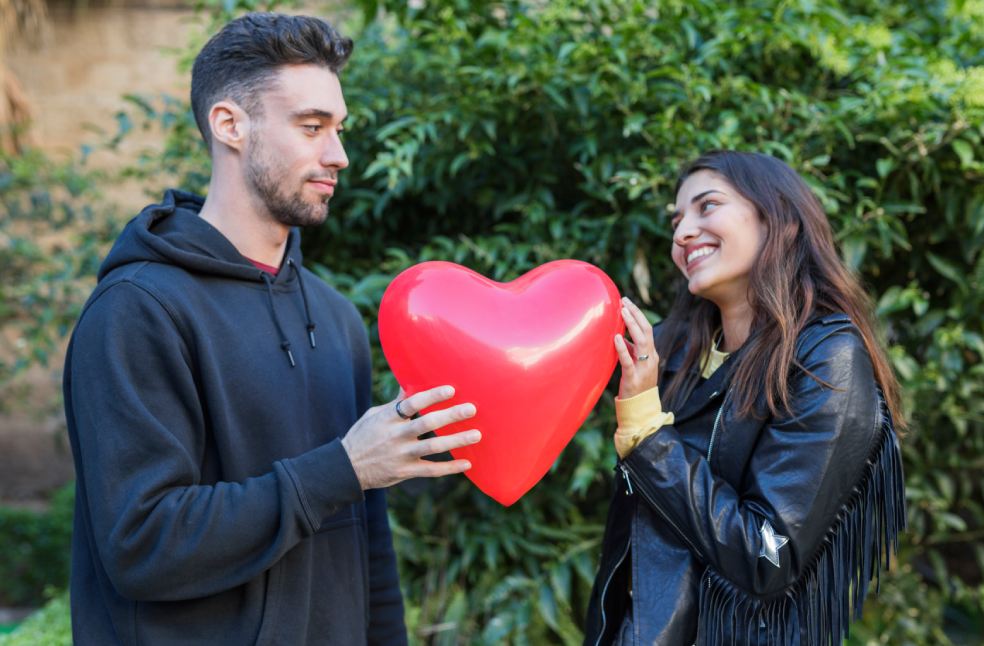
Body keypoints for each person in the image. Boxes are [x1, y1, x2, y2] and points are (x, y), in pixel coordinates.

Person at [62, 13, 482, 645]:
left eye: (338, 129)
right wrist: (342, 468)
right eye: (312, 127)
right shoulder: (138, 310)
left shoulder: (335, 318)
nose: (338, 155)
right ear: (229, 125)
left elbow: (367, 545)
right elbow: (141, 543)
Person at [584, 151, 907, 645]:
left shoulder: (827, 358)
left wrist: (647, 433)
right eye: (676, 221)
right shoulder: (668, 351)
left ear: (778, 218)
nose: (682, 233)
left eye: (707, 206)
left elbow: (767, 556)